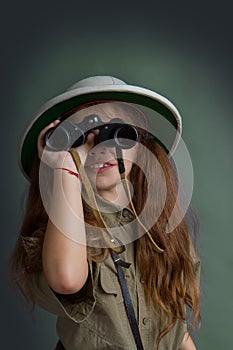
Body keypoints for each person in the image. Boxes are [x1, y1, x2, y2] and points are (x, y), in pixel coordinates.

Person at [10, 76, 201, 350]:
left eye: (118, 133)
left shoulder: (162, 230)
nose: (100, 148)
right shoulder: (63, 233)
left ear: (141, 145)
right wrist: (65, 166)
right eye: (80, 138)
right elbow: (66, 278)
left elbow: (175, 328)